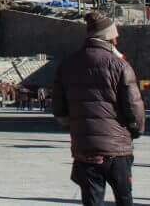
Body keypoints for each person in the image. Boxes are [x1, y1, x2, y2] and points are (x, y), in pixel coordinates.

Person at [53, 12, 145, 206]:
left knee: (92, 201)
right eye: (115, 35)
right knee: (124, 198)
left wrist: (75, 127)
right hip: (117, 148)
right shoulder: (119, 65)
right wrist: (136, 129)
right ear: (108, 37)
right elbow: (133, 104)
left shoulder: (67, 64)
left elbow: (59, 108)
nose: (117, 39)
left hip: (84, 148)